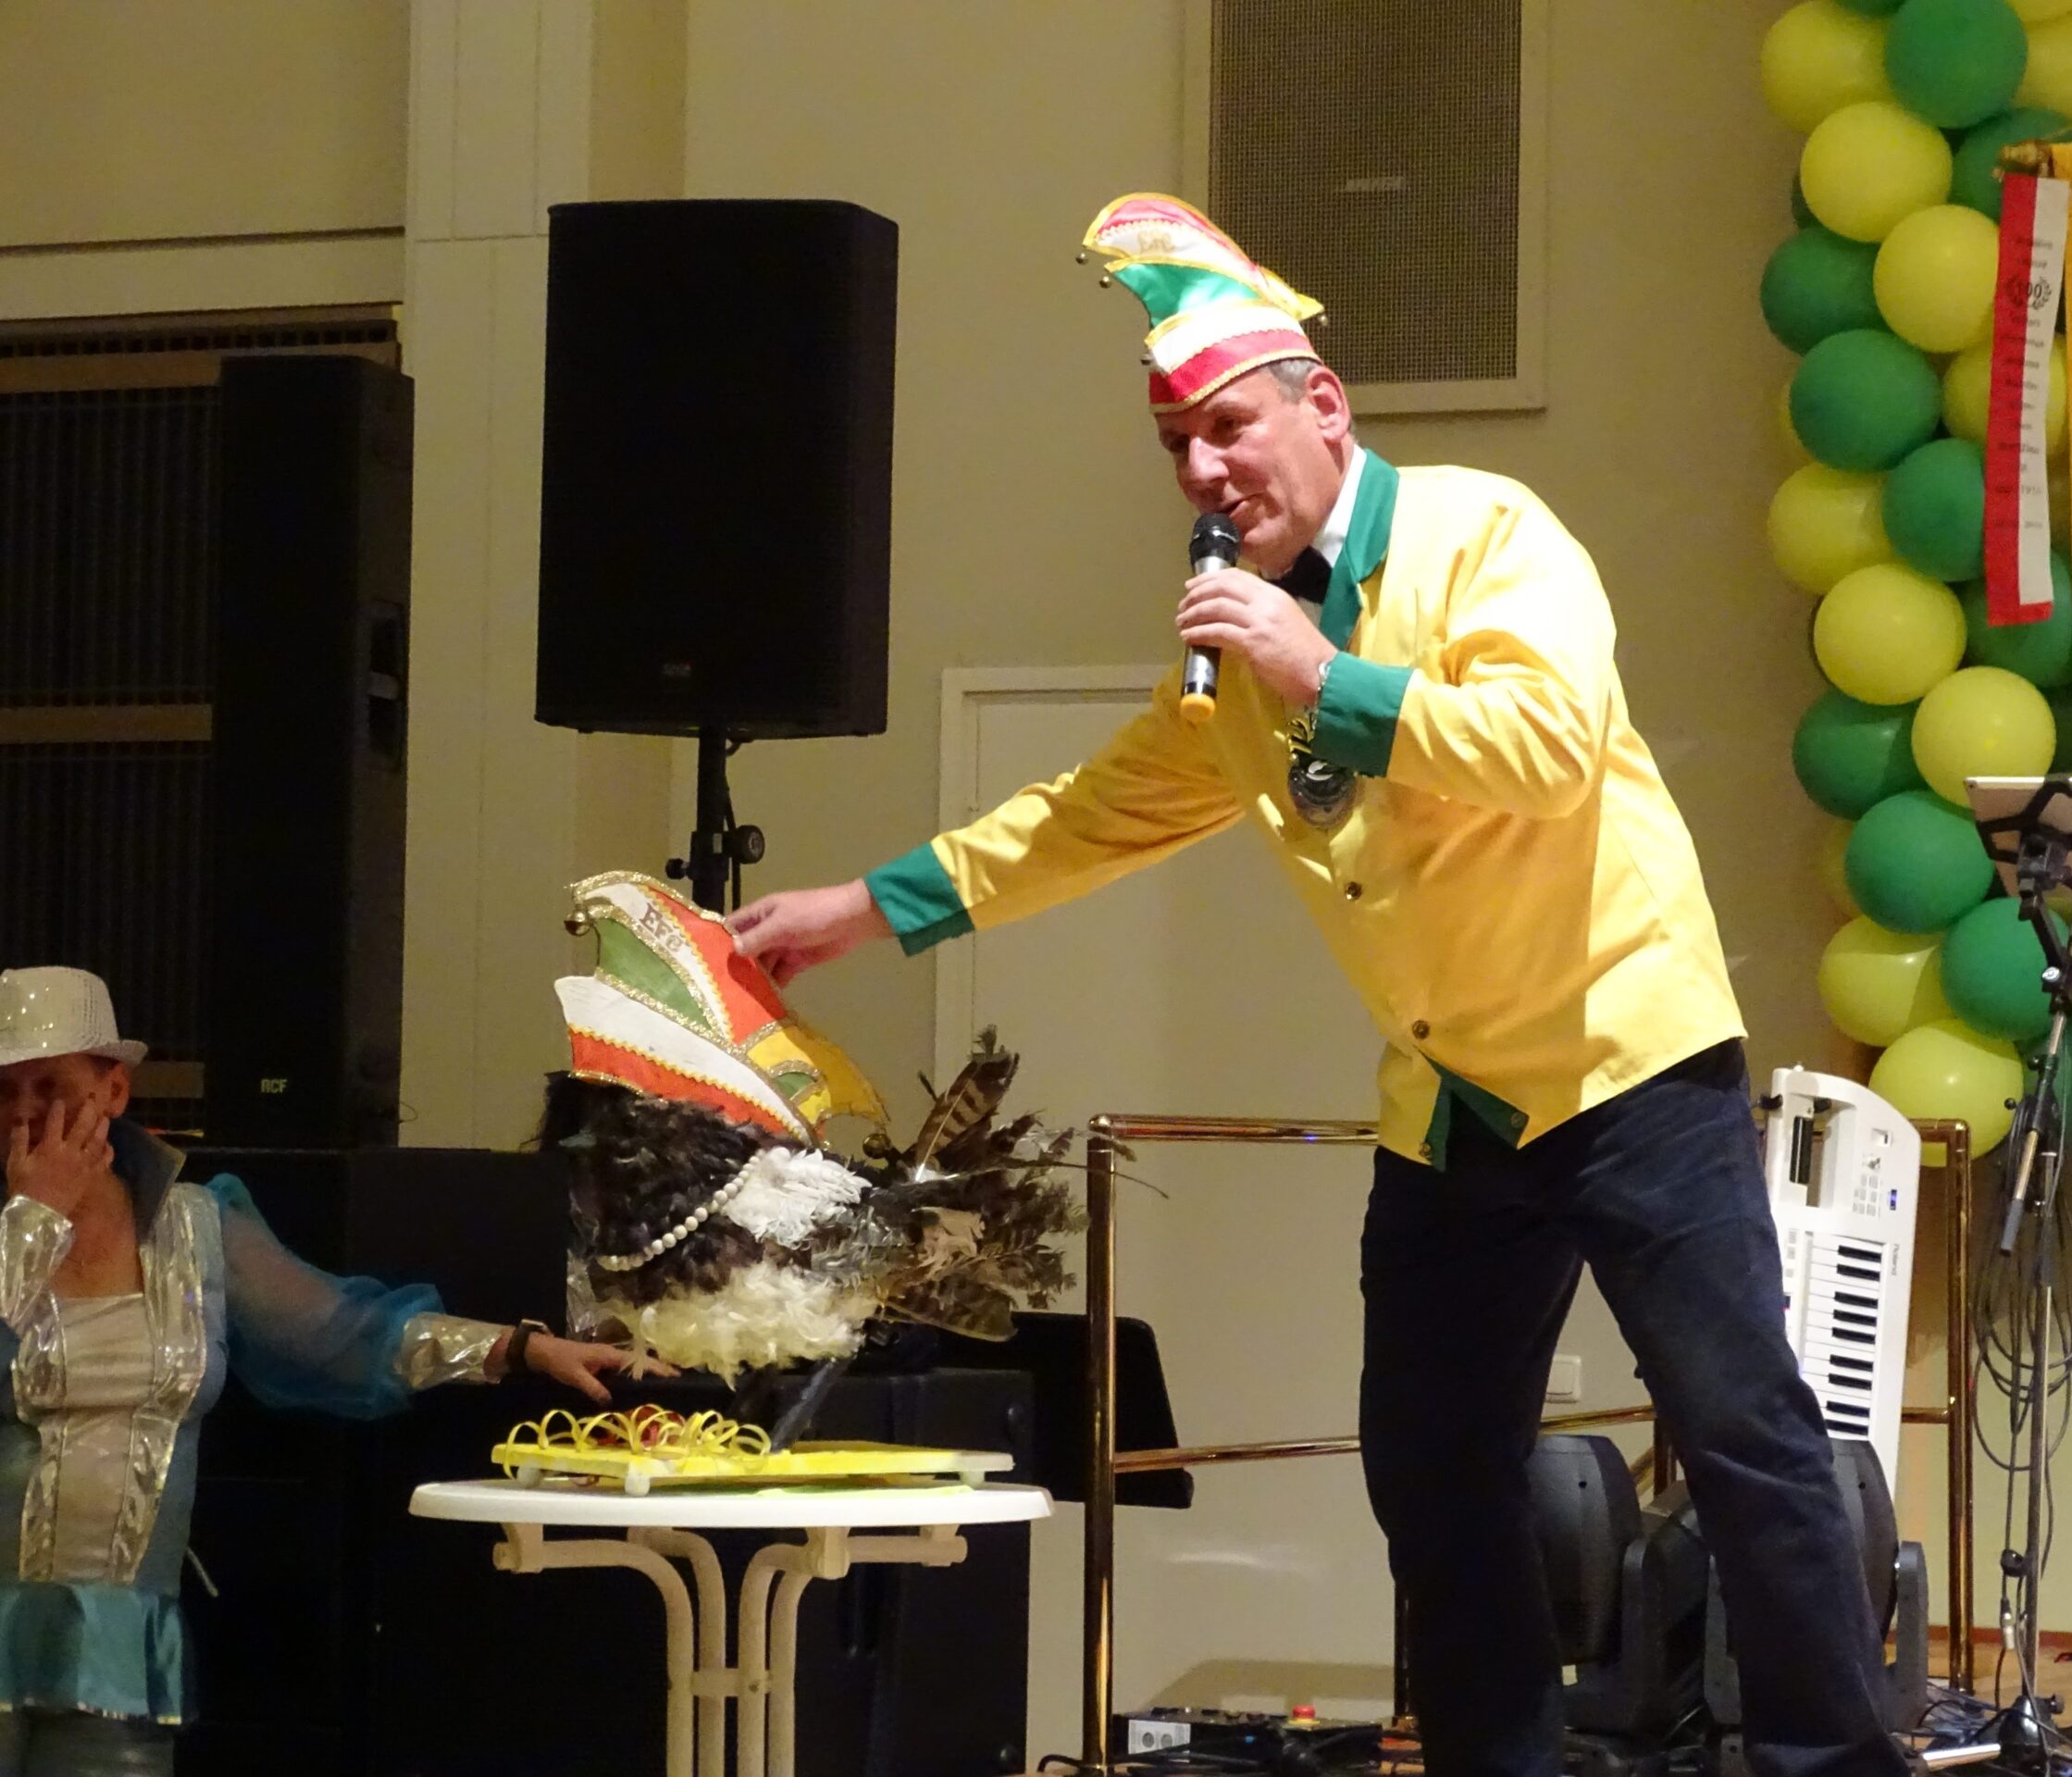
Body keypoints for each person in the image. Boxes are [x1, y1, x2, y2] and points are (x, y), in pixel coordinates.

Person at [727, 194, 1912, 1777]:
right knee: (1430, 1469)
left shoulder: (1486, 534)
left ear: (1325, 409)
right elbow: (1087, 817)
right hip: (1452, 1104)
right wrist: (865, 908)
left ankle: (1833, 1766)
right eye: (1178, 446)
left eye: (1230, 428)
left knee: (1744, 1437)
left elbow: (1547, 752)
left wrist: (1315, 671)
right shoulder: (1231, 670)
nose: (1205, 471)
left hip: (1626, 1059)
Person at [0, 966, 646, 1776]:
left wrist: (517, 1348)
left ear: (114, 1092)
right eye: (5, 1092)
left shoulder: (193, 1229)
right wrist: (31, 1221)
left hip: (114, 1647)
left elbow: (341, 1334)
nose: (26, 1113)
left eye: (51, 1087)